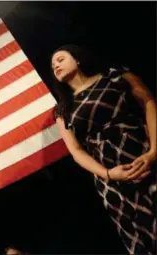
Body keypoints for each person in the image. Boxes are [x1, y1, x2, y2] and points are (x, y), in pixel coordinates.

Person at [51, 44, 156, 254]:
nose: (56, 66)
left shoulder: (115, 76)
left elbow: (149, 103)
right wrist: (108, 174)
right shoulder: (63, 109)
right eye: (53, 66)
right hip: (113, 182)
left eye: (60, 59)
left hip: (144, 156)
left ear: (77, 58)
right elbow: (76, 151)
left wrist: (153, 152)